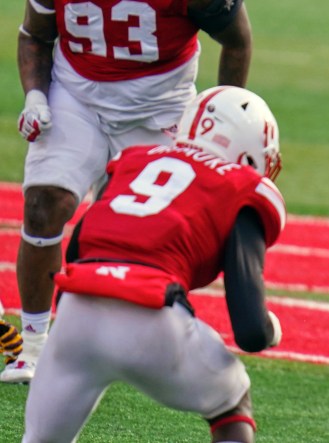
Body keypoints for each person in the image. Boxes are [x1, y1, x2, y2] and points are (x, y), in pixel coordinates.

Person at [4, 0, 253, 383]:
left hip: (160, 109)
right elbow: (35, 34)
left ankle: (132, 340)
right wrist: (36, 96)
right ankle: (33, 348)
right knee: (44, 204)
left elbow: (237, 40)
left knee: (144, 236)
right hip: (76, 96)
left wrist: (221, 113)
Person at [23, 86, 284, 442]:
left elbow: (76, 251)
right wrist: (270, 330)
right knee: (232, 395)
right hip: (150, 315)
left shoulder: (134, 159)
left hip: (76, 311)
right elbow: (250, 331)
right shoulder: (242, 185)